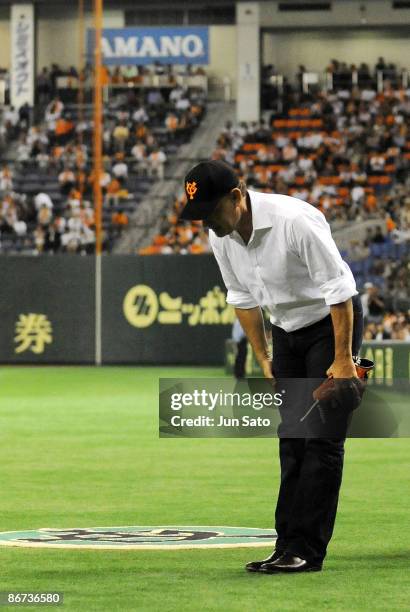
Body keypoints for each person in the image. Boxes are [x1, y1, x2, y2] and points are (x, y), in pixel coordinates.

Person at [180, 160, 363, 574]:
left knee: (322, 439)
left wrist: (343, 359)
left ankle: (307, 550)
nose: (207, 221)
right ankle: (286, 545)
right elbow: (241, 297)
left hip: (329, 325)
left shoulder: (294, 222)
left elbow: (339, 290)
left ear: (236, 196)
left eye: (212, 210)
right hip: (286, 331)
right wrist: (264, 356)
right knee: (291, 439)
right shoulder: (222, 235)